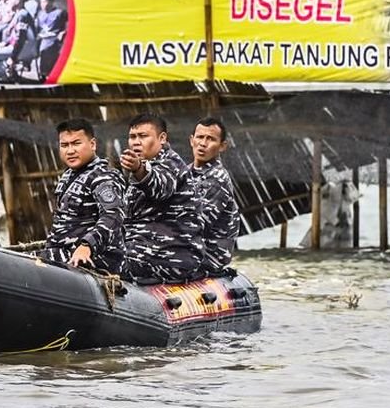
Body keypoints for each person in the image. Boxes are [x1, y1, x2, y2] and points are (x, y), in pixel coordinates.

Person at [119, 113, 203, 283]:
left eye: (143, 136)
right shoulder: (145, 166)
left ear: (162, 138)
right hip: (141, 253)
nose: (136, 142)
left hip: (169, 258)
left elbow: (159, 187)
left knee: (103, 262)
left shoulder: (171, 163)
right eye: (132, 137)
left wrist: (138, 169)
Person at [39, 118, 126, 272]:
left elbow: (113, 215)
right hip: (61, 253)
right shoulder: (69, 175)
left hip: (93, 258)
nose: (70, 151)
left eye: (76, 144)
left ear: (92, 144)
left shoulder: (102, 177)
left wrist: (87, 245)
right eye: (64, 145)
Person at [187, 117, 240, 276]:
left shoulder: (217, 178)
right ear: (192, 140)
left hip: (208, 256)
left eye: (210, 139)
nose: (203, 144)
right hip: (188, 249)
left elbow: (196, 225)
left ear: (222, 146)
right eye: (200, 137)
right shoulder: (185, 173)